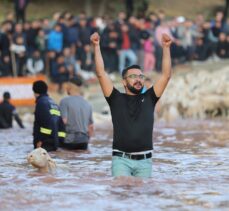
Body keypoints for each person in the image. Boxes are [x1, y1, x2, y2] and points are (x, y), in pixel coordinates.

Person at [90, 32, 172, 178]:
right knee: (121, 194)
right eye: (133, 76)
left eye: (141, 76)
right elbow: (101, 73)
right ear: (123, 81)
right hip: (121, 160)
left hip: (145, 162)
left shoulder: (150, 98)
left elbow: (166, 75)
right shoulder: (115, 98)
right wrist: (96, 46)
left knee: (142, 199)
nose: (138, 79)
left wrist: (166, 48)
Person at [59, 76, 94, 150]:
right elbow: (91, 127)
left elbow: (63, 121)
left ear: (69, 87)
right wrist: (87, 140)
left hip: (70, 140)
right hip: (84, 141)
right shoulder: (88, 103)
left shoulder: (64, 101)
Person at [32, 80, 65, 152]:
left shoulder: (41, 103)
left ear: (35, 92)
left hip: (45, 144)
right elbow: (61, 125)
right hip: (56, 142)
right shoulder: (53, 103)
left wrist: (39, 140)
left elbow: (43, 123)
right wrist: (60, 142)